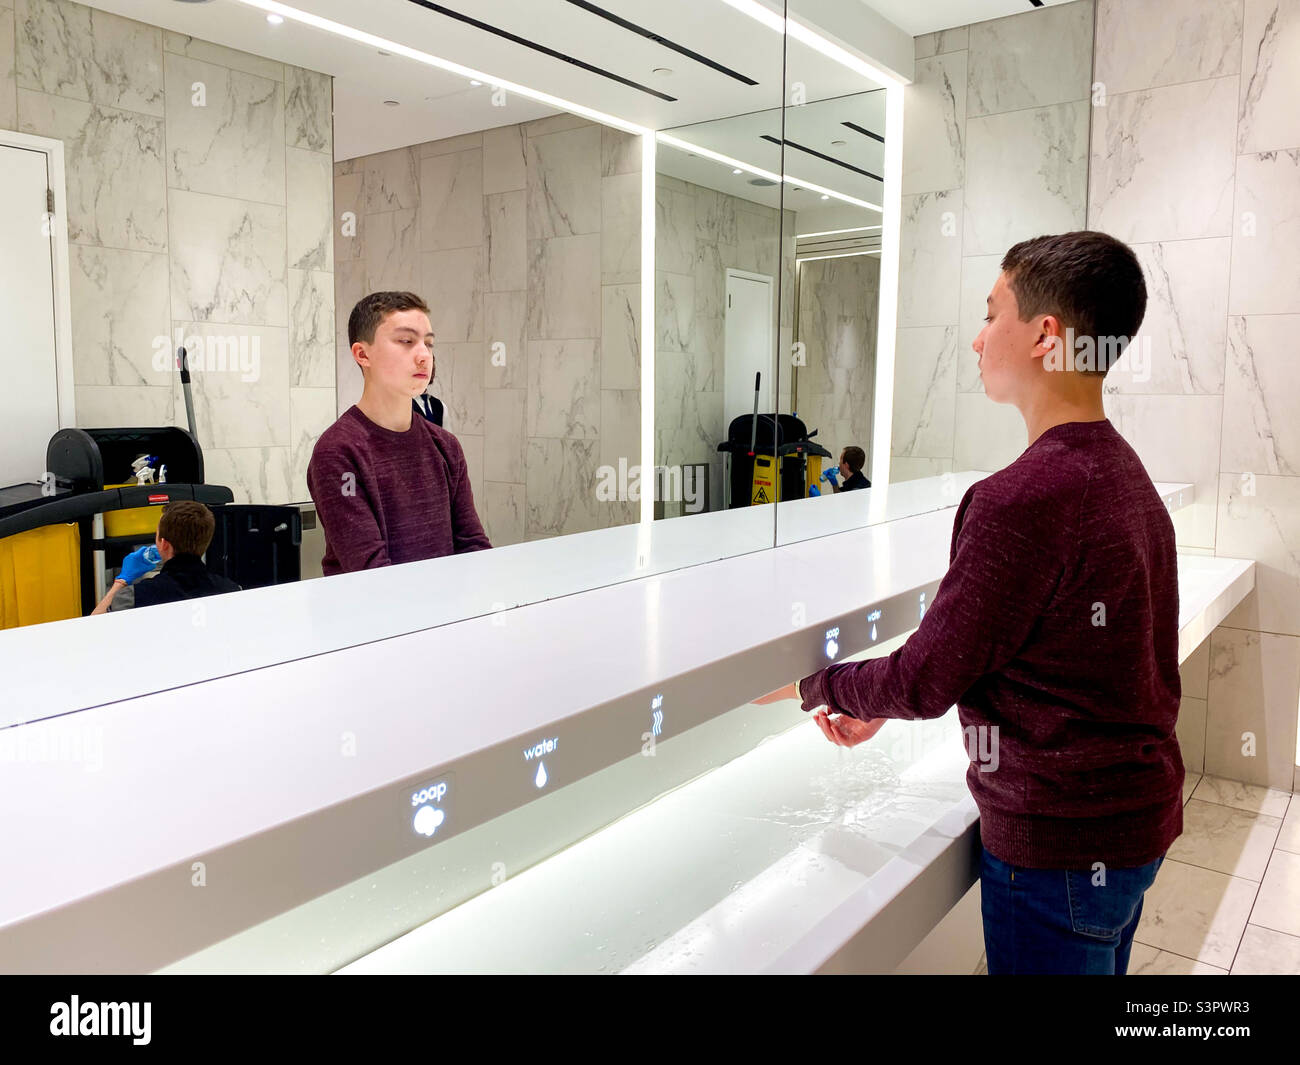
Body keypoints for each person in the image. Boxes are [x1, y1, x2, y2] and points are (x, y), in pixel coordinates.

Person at [757, 231, 1179, 975]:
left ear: (1047, 335)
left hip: (1057, 852)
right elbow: (1009, 649)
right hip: (1128, 827)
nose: (979, 338)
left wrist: (808, 681)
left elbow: (925, 677)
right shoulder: (1124, 473)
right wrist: (882, 700)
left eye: (993, 314)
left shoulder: (1021, 499)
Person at [308, 291, 490, 575]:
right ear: (362, 354)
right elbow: (370, 571)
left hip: (447, 614)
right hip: (371, 616)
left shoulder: (446, 446)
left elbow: (473, 546)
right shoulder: (339, 451)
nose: (423, 356)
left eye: (428, 343)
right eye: (406, 341)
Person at [92, 500, 240, 614]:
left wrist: (122, 581)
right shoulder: (233, 591)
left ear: (163, 544)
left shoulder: (134, 597)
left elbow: (93, 629)